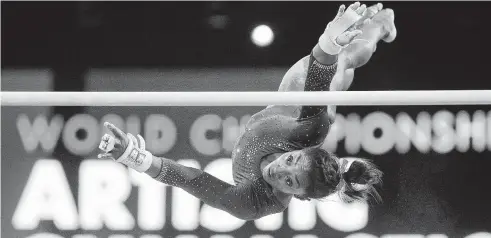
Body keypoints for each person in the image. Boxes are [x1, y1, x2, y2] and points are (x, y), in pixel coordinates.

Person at [98, 2, 396, 221]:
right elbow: (320, 68)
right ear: (299, 151)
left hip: (272, 124)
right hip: (292, 109)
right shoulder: (312, 130)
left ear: (299, 196)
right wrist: (329, 41)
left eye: (289, 182)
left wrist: (134, 158)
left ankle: (377, 28)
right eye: (291, 160)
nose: (280, 169)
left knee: (342, 67)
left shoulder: (254, 202)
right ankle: (382, 24)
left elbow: (191, 179)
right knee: (343, 62)